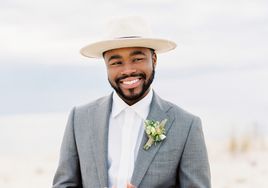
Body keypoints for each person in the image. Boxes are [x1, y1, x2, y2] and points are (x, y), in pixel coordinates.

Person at [52, 16, 211, 188]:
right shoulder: (80, 119)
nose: (128, 70)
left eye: (137, 59)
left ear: (154, 60)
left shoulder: (186, 125)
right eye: (116, 62)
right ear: (106, 66)